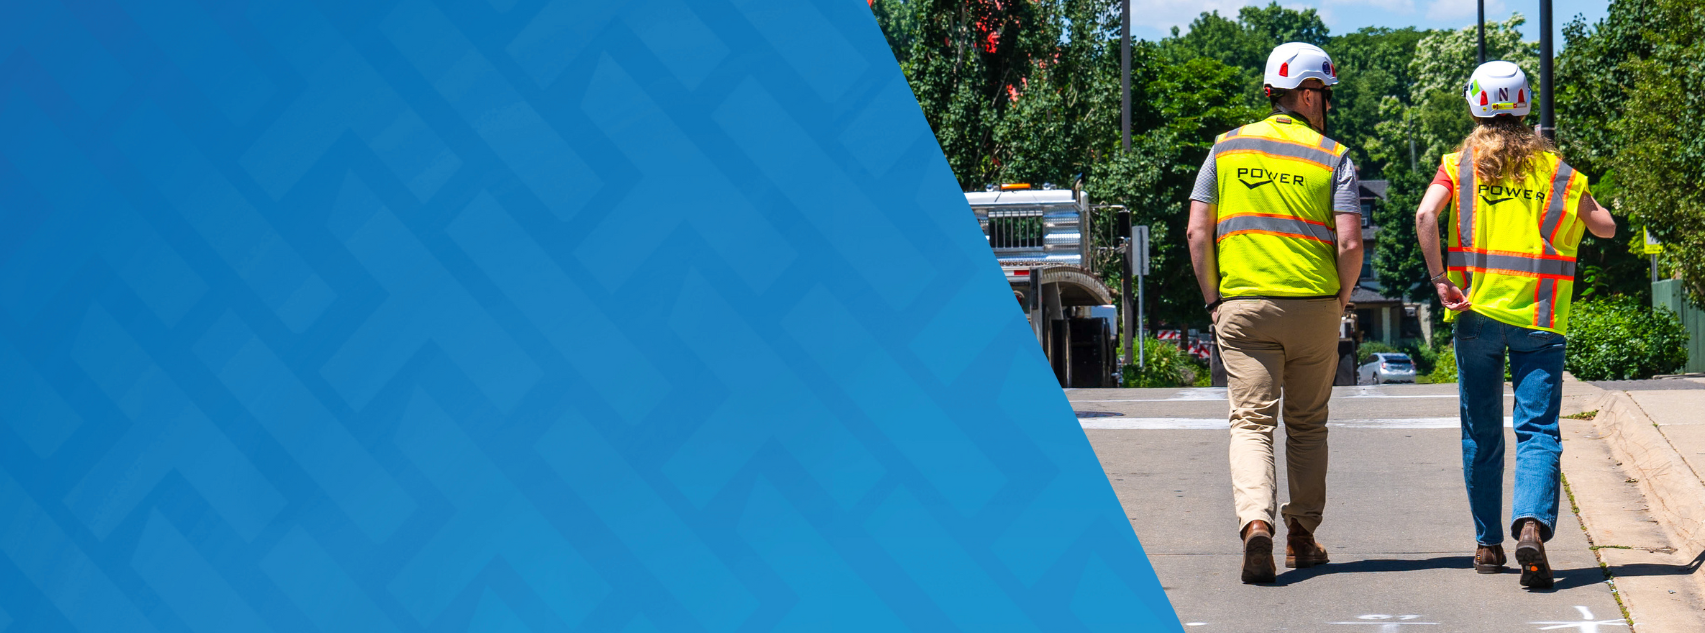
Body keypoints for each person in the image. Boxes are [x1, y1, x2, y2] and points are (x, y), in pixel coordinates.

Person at [1413, 61, 1616, 589]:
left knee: (1481, 432)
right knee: (1538, 430)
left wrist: (1440, 280)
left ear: (1474, 105)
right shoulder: (1555, 170)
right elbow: (1606, 228)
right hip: (1540, 318)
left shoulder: (1458, 165)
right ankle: (1530, 526)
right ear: (1525, 105)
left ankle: (1487, 545)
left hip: (1475, 313)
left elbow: (1426, 216)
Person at [1186, 42, 1364, 584]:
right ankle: (1301, 538)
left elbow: (1197, 231)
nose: (1326, 105)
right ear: (1308, 94)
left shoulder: (1224, 149)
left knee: (1251, 422)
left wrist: (1214, 300)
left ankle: (1256, 524)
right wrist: (1340, 300)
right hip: (1314, 307)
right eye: (1325, 94)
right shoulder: (1334, 157)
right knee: (1307, 425)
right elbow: (1350, 243)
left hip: (1243, 308)